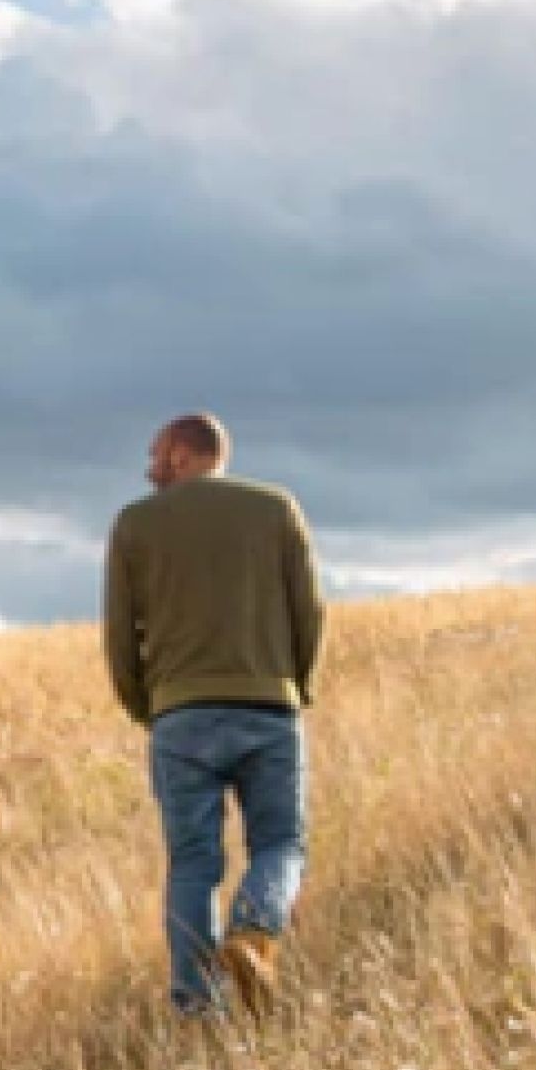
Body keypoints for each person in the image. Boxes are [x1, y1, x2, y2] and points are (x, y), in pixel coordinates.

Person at [103, 413, 326, 1021]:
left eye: (155, 454)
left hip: (180, 714)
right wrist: (295, 686)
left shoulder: (135, 524)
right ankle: (254, 928)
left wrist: (149, 708)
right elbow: (309, 612)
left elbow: (120, 636)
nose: (149, 467)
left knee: (194, 864)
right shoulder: (276, 509)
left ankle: (198, 1008)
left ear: (181, 453)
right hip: (269, 706)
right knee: (280, 843)